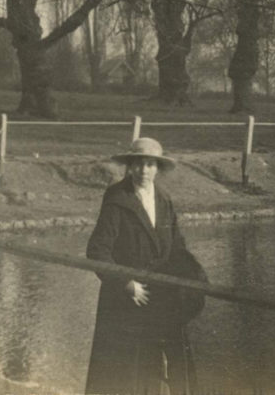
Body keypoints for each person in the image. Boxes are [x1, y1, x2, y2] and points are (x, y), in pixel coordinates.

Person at [85, 138, 205, 395]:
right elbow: (98, 251)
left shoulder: (163, 199)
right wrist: (125, 283)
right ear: (130, 167)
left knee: (160, 366)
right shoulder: (118, 197)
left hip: (159, 297)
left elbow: (177, 247)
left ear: (157, 168)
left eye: (150, 165)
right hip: (125, 300)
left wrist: (191, 280)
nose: (144, 171)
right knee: (123, 373)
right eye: (138, 164)